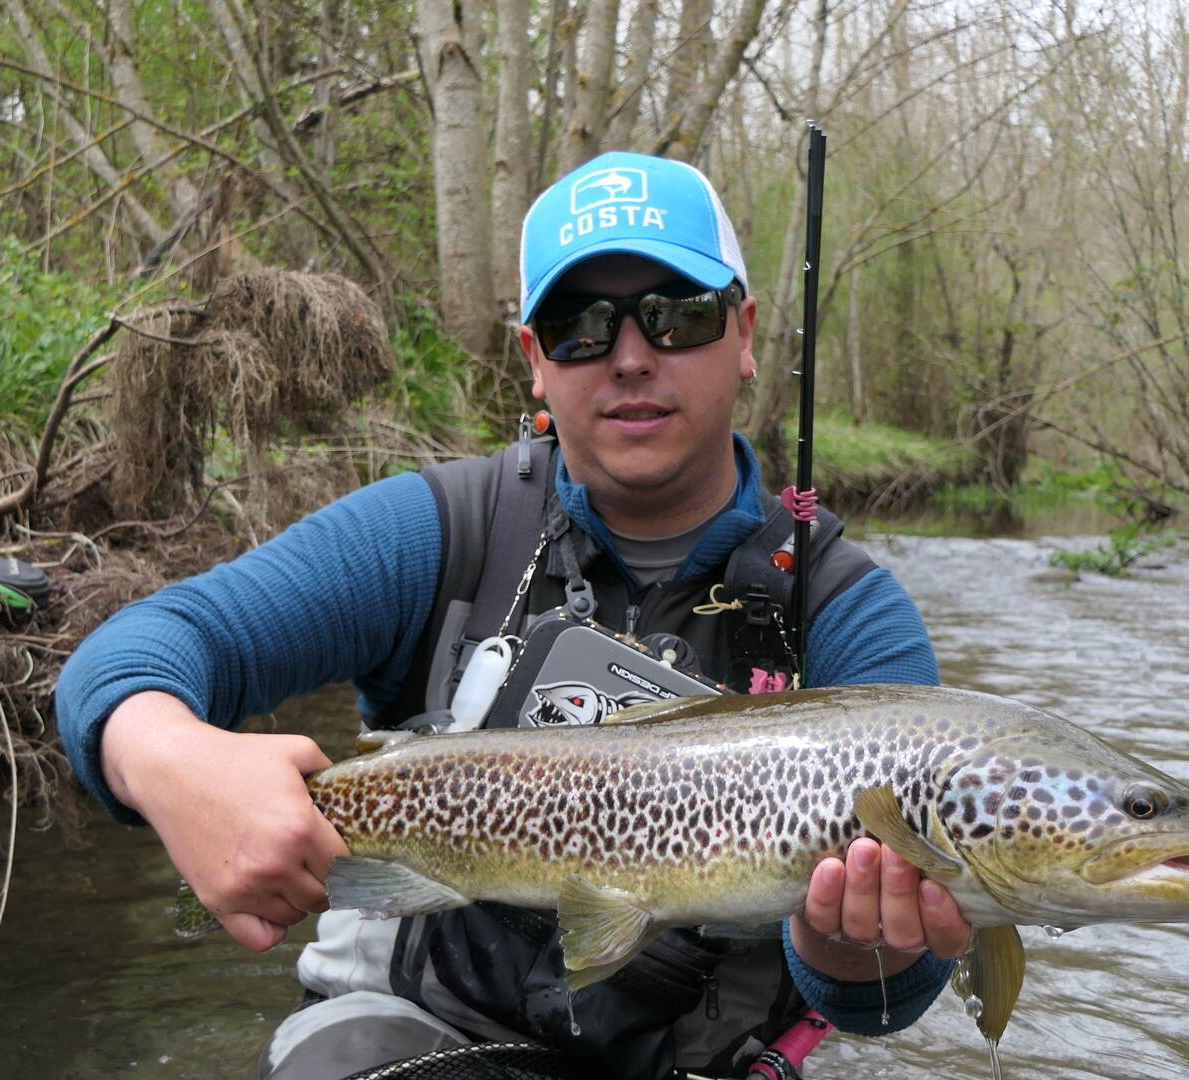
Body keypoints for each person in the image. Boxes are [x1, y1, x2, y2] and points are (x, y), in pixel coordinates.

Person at [56, 151, 972, 1080]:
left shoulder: (849, 616)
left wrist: (853, 945)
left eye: (678, 314)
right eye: (580, 327)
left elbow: (885, 1002)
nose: (630, 356)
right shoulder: (435, 531)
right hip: (410, 1037)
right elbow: (131, 654)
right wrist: (167, 756)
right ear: (535, 360)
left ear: (744, 334)